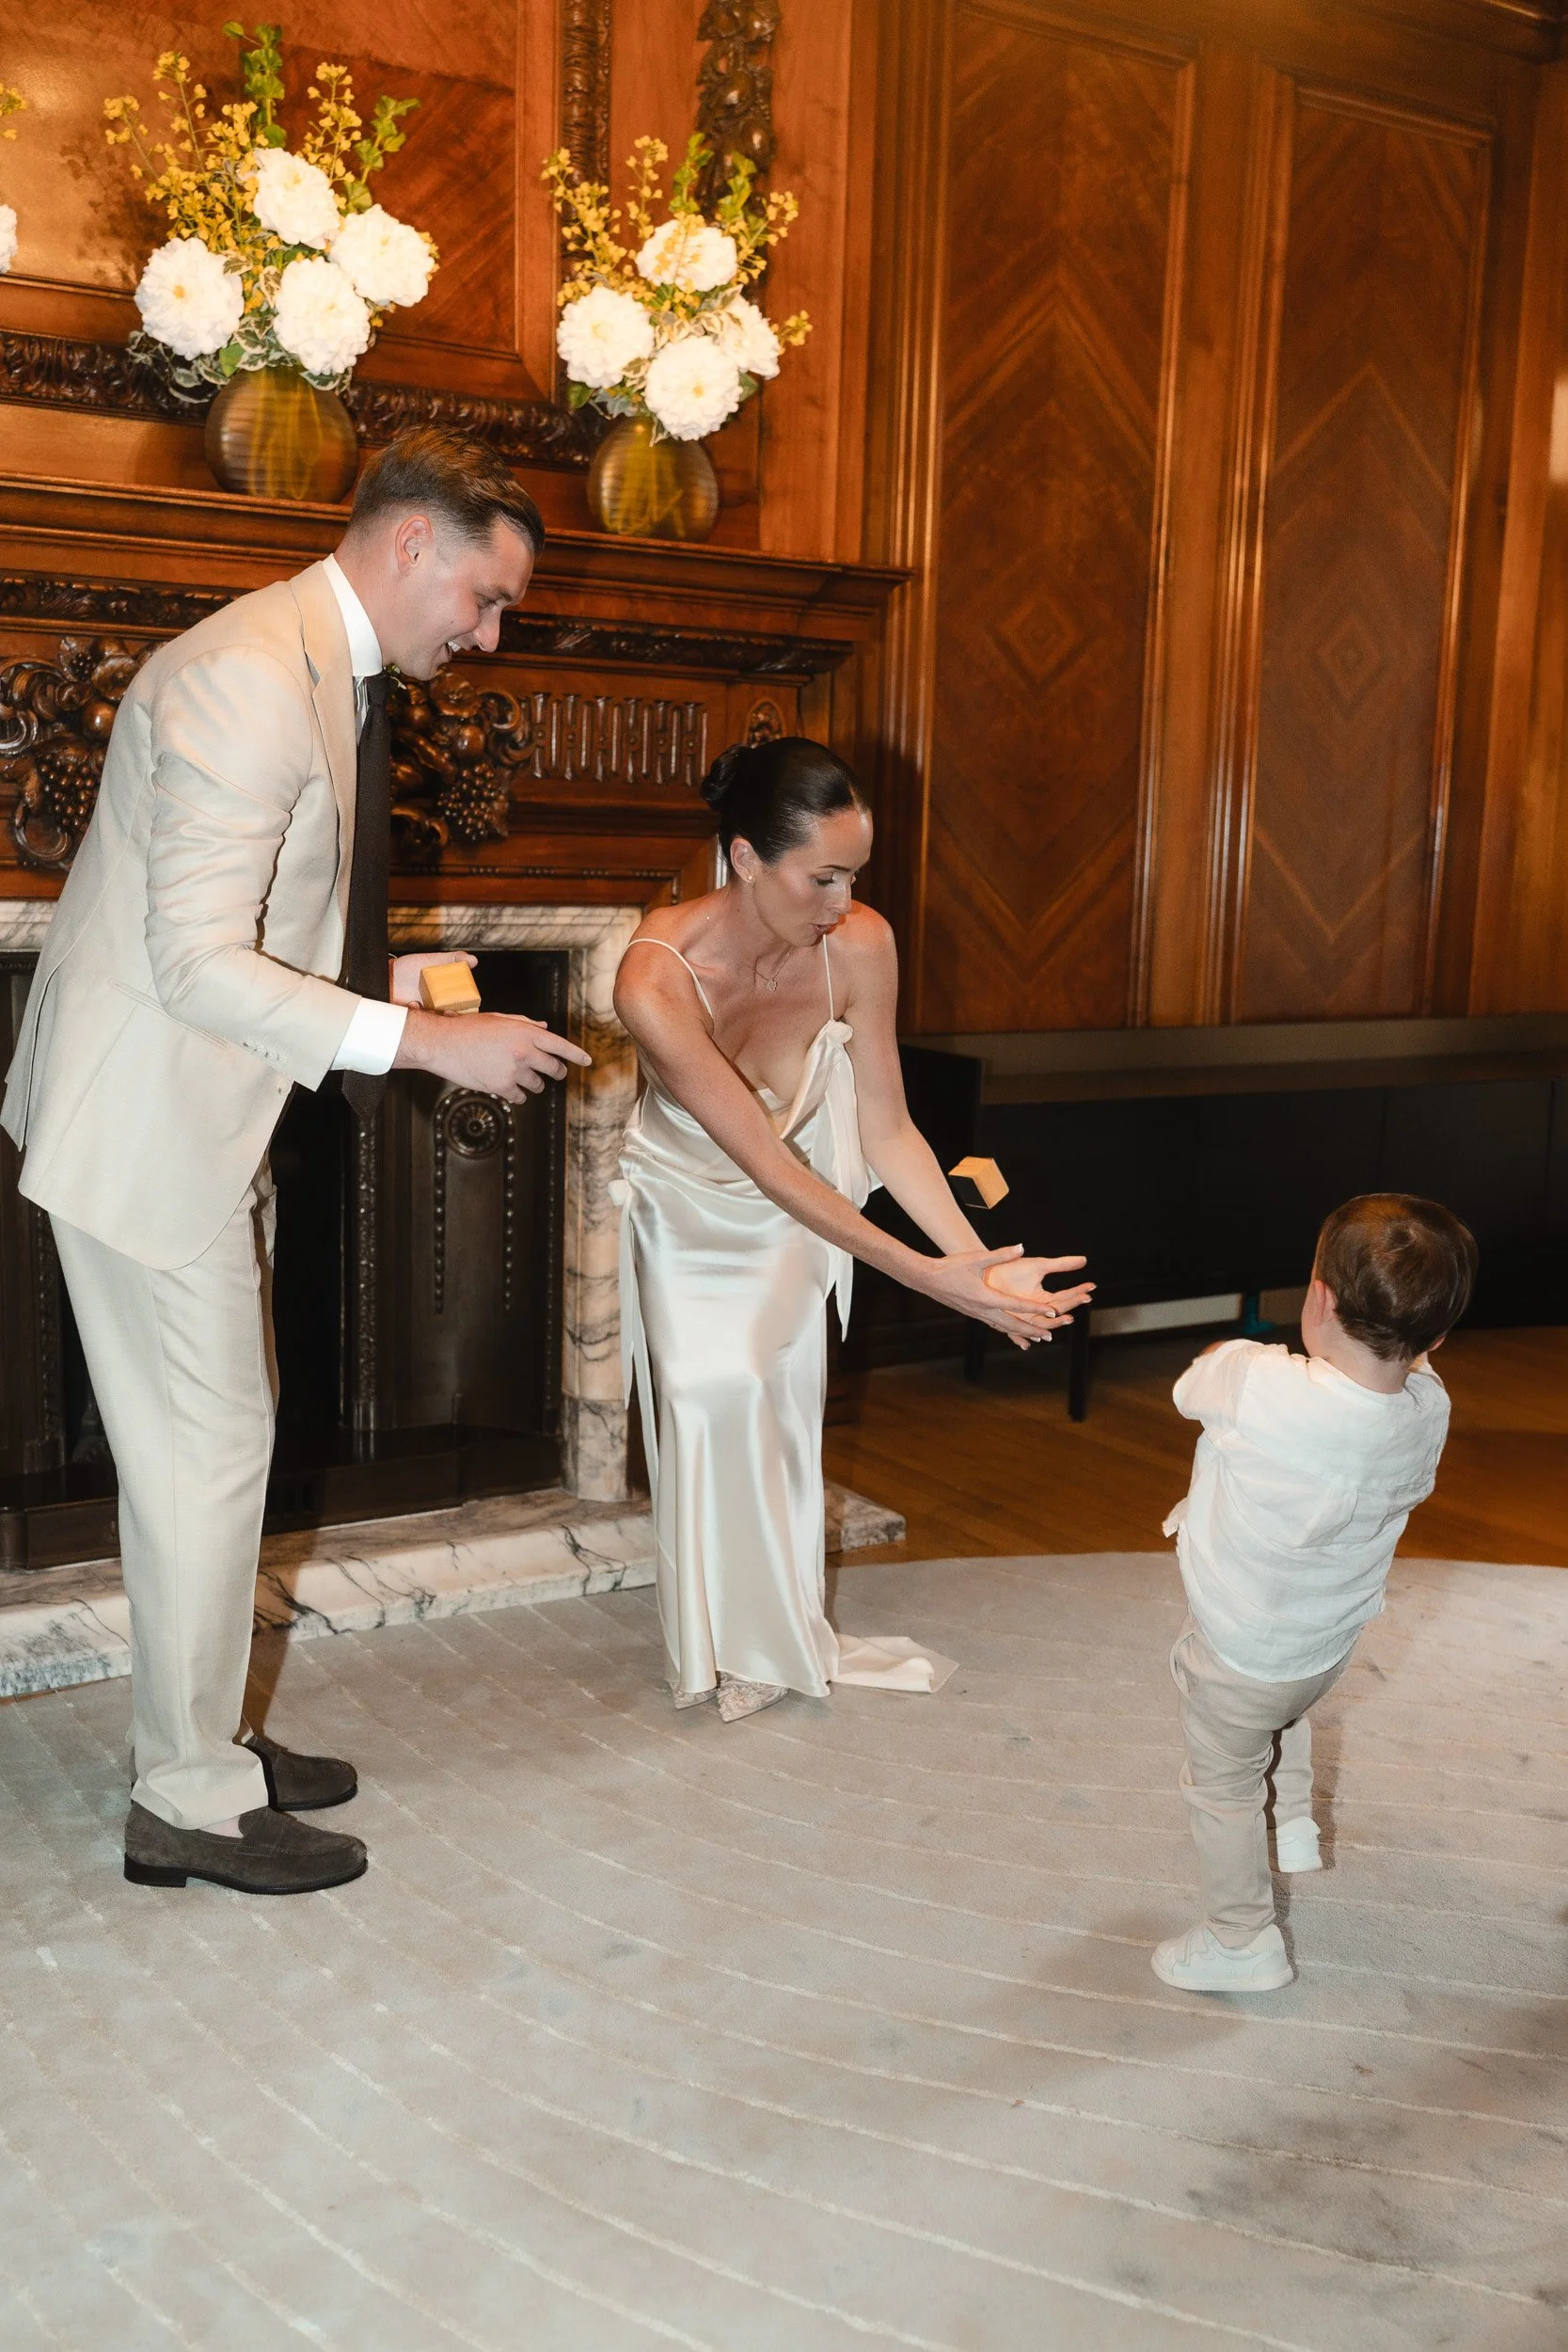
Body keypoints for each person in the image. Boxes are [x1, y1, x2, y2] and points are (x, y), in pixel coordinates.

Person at [1, 428, 591, 1896]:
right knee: (203, 1463)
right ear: (409, 547)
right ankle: (187, 1800)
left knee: (214, 1454)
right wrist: (426, 1049)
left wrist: (380, 976)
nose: (488, 631)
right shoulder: (253, 678)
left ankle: (197, 1740)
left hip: (203, 1104)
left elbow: (240, 915)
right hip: (149, 1116)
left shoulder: (315, 660)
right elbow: (196, 965)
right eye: (483, 596)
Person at [611, 735, 1092, 1723]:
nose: (842, 904)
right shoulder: (652, 979)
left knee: (775, 1402)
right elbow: (762, 1161)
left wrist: (973, 1264)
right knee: (708, 1394)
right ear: (745, 858)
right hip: (691, 1198)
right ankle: (719, 1635)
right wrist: (928, 1278)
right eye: (821, 877)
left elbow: (886, 1128)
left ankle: (768, 1636)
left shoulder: (859, 944)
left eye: (853, 876)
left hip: (804, 1195)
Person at [1152, 1192, 1477, 1993]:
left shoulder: (1259, 1384)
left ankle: (1240, 1943)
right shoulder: (1426, 1410)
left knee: (1220, 1782)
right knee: (1286, 1708)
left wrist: (1252, 1353)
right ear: (1435, 1335)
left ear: (1318, 1298)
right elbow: (1404, 1375)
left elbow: (1191, 1388)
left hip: (1235, 1648)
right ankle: (1292, 1828)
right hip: (1324, 1645)